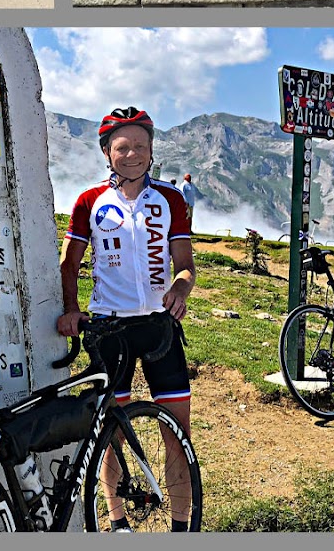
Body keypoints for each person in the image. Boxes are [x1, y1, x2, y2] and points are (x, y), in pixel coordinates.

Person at [57, 107, 197, 529]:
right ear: (107, 153)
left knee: (178, 433)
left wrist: (181, 287)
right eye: (123, 147)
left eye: (141, 146)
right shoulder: (89, 201)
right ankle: (117, 524)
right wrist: (70, 308)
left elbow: (186, 264)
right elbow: (69, 264)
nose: (132, 154)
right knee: (110, 437)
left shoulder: (171, 199)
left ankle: (180, 526)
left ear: (152, 152)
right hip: (109, 329)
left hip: (159, 329)